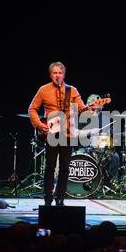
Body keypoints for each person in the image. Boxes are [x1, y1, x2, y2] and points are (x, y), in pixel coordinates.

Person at [28, 62, 86, 206]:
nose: (57, 75)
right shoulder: (43, 90)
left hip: (67, 133)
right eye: (55, 73)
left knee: (65, 167)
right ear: (50, 75)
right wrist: (39, 124)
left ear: (64, 75)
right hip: (51, 133)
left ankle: (60, 197)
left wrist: (89, 109)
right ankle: (48, 197)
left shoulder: (72, 90)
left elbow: (82, 108)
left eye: (60, 73)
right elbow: (32, 109)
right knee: (50, 166)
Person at [78, 94, 120, 189]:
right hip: (86, 147)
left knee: (115, 157)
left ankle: (109, 182)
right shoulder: (82, 117)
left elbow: (109, 135)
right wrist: (90, 132)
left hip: (101, 148)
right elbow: (77, 134)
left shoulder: (105, 118)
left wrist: (110, 136)